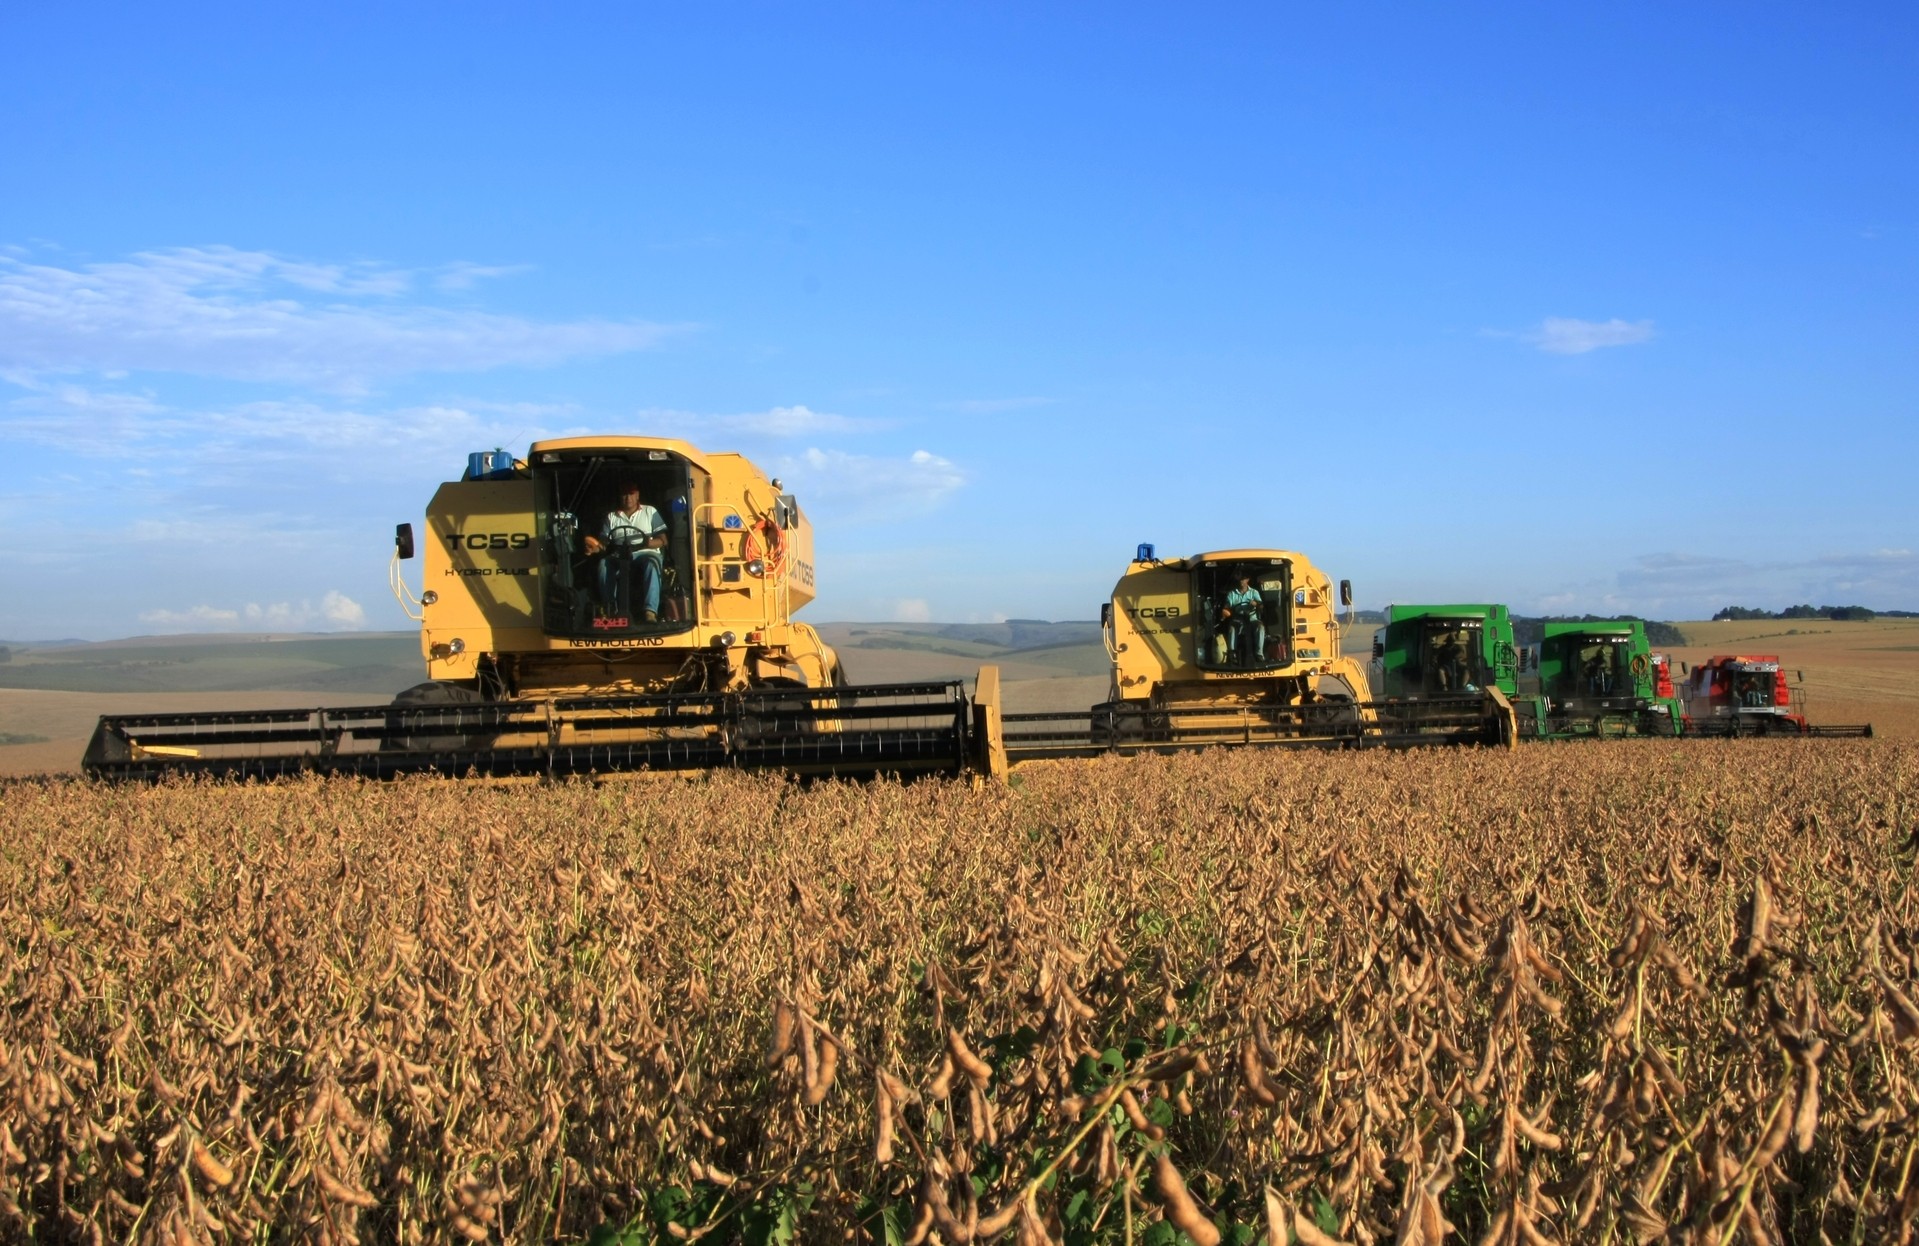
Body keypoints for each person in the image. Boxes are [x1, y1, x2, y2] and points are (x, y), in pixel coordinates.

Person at [584, 481, 667, 621]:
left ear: (637, 495)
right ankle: (610, 609)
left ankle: (650, 612)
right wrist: (594, 548)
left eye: (631, 494)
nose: (628, 498)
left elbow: (663, 540)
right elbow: (604, 544)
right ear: (620, 497)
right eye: (624, 494)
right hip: (619, 554)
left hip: (645, 552)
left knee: (652, 563)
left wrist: (648, 543)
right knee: (604, 564)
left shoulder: (650, 511)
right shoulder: (611, 517)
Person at [1220, 573, 1264, 667]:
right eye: (1239, 579)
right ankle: (1232, 655)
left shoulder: (1254, 592)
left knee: (1260, 627)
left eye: (1243, 579)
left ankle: (1259, 654)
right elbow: (1227, 605)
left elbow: (1261, 605)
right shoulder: (1232, 593)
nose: (1241, 581)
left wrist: (1256, 604)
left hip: (1252, 619)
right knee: (1232, 628)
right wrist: (1225, 610)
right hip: (1237, 619)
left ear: (1247, 580)